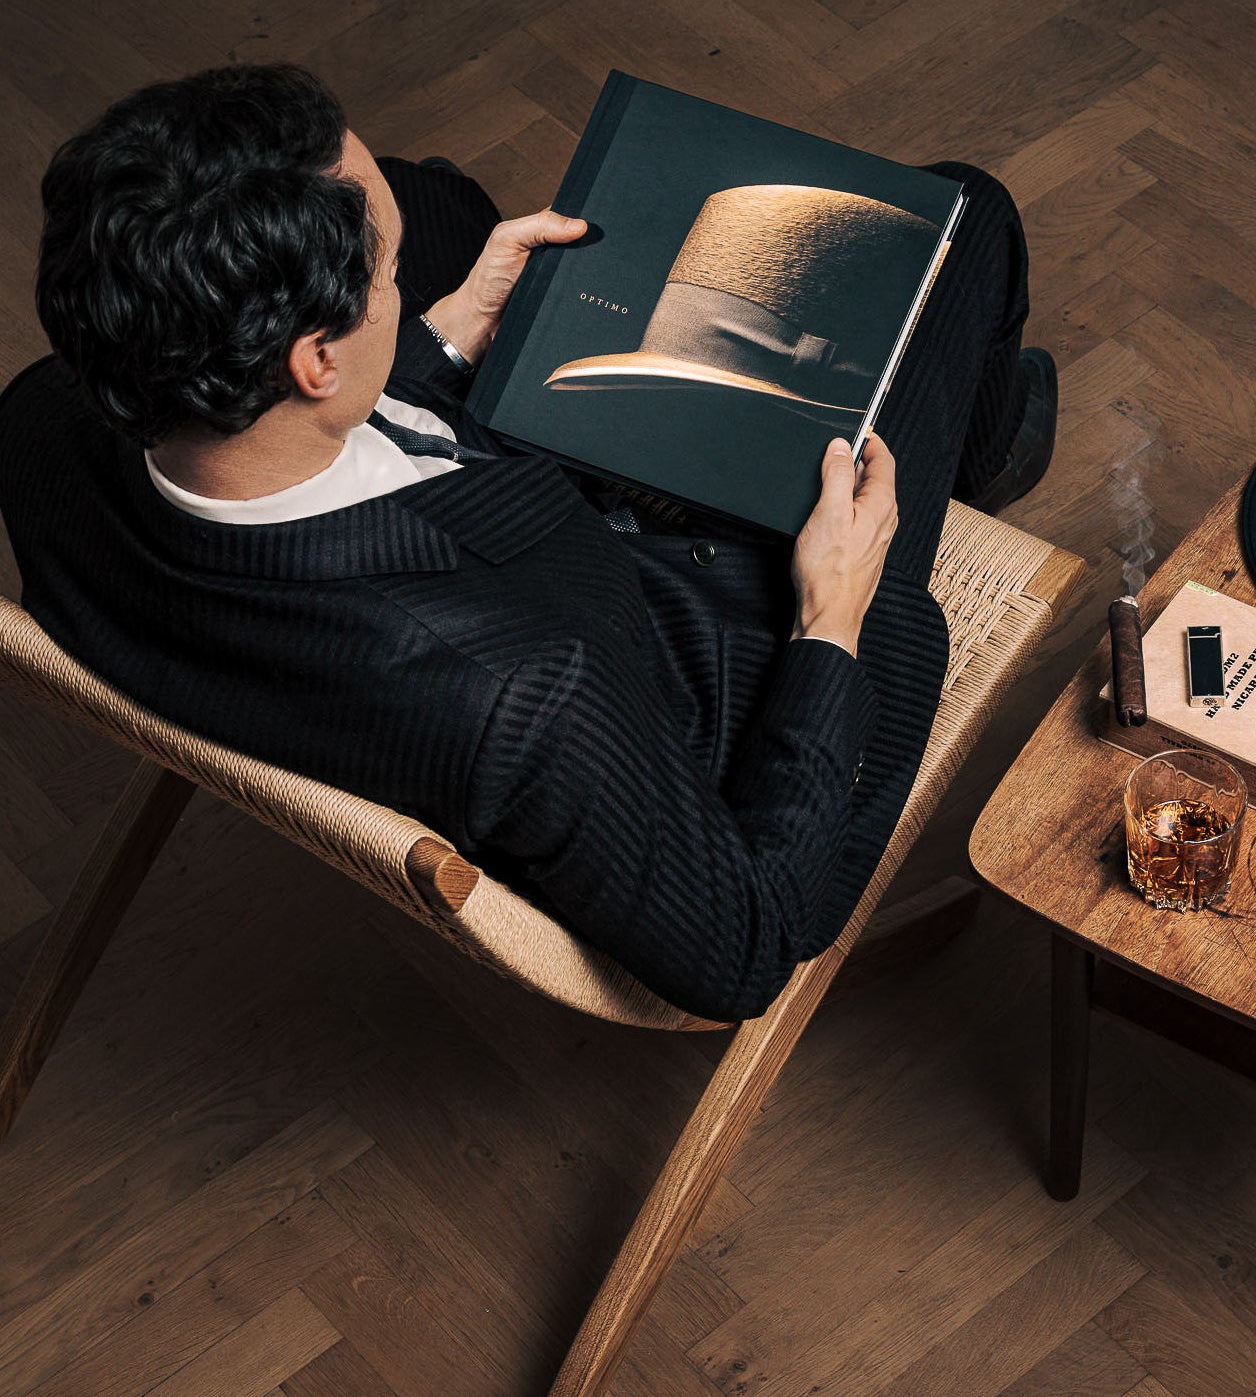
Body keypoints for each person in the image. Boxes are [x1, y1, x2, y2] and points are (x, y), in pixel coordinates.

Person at [0, 64, 1053, 1023]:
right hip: (713, 658)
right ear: (314, 360)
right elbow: (744, 948)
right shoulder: (530, 700)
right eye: (391, 275)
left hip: (473, 554)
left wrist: (440, 340)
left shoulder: (44, 417)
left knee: (452, 199)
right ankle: (983, 450)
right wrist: (831, 616)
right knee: (968, 216)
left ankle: (967, 426)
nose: (403, 283)